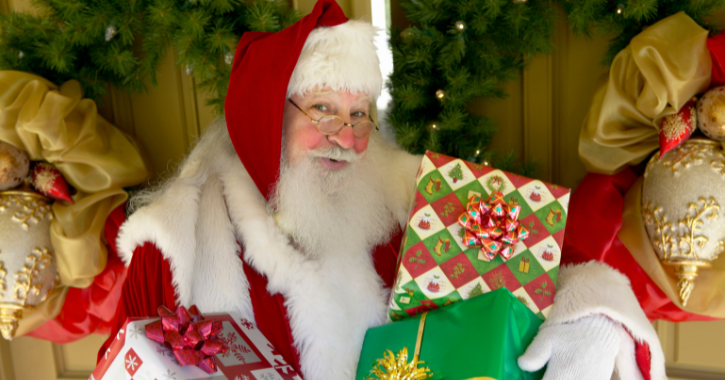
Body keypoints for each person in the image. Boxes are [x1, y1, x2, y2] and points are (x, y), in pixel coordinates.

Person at [101, 1, 666, 378]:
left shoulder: (410, 198)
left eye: (360, 114)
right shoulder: (171, 247)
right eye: (321, 110)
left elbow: (554, 264)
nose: (345, 138)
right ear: (264, 117)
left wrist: (592, 316)